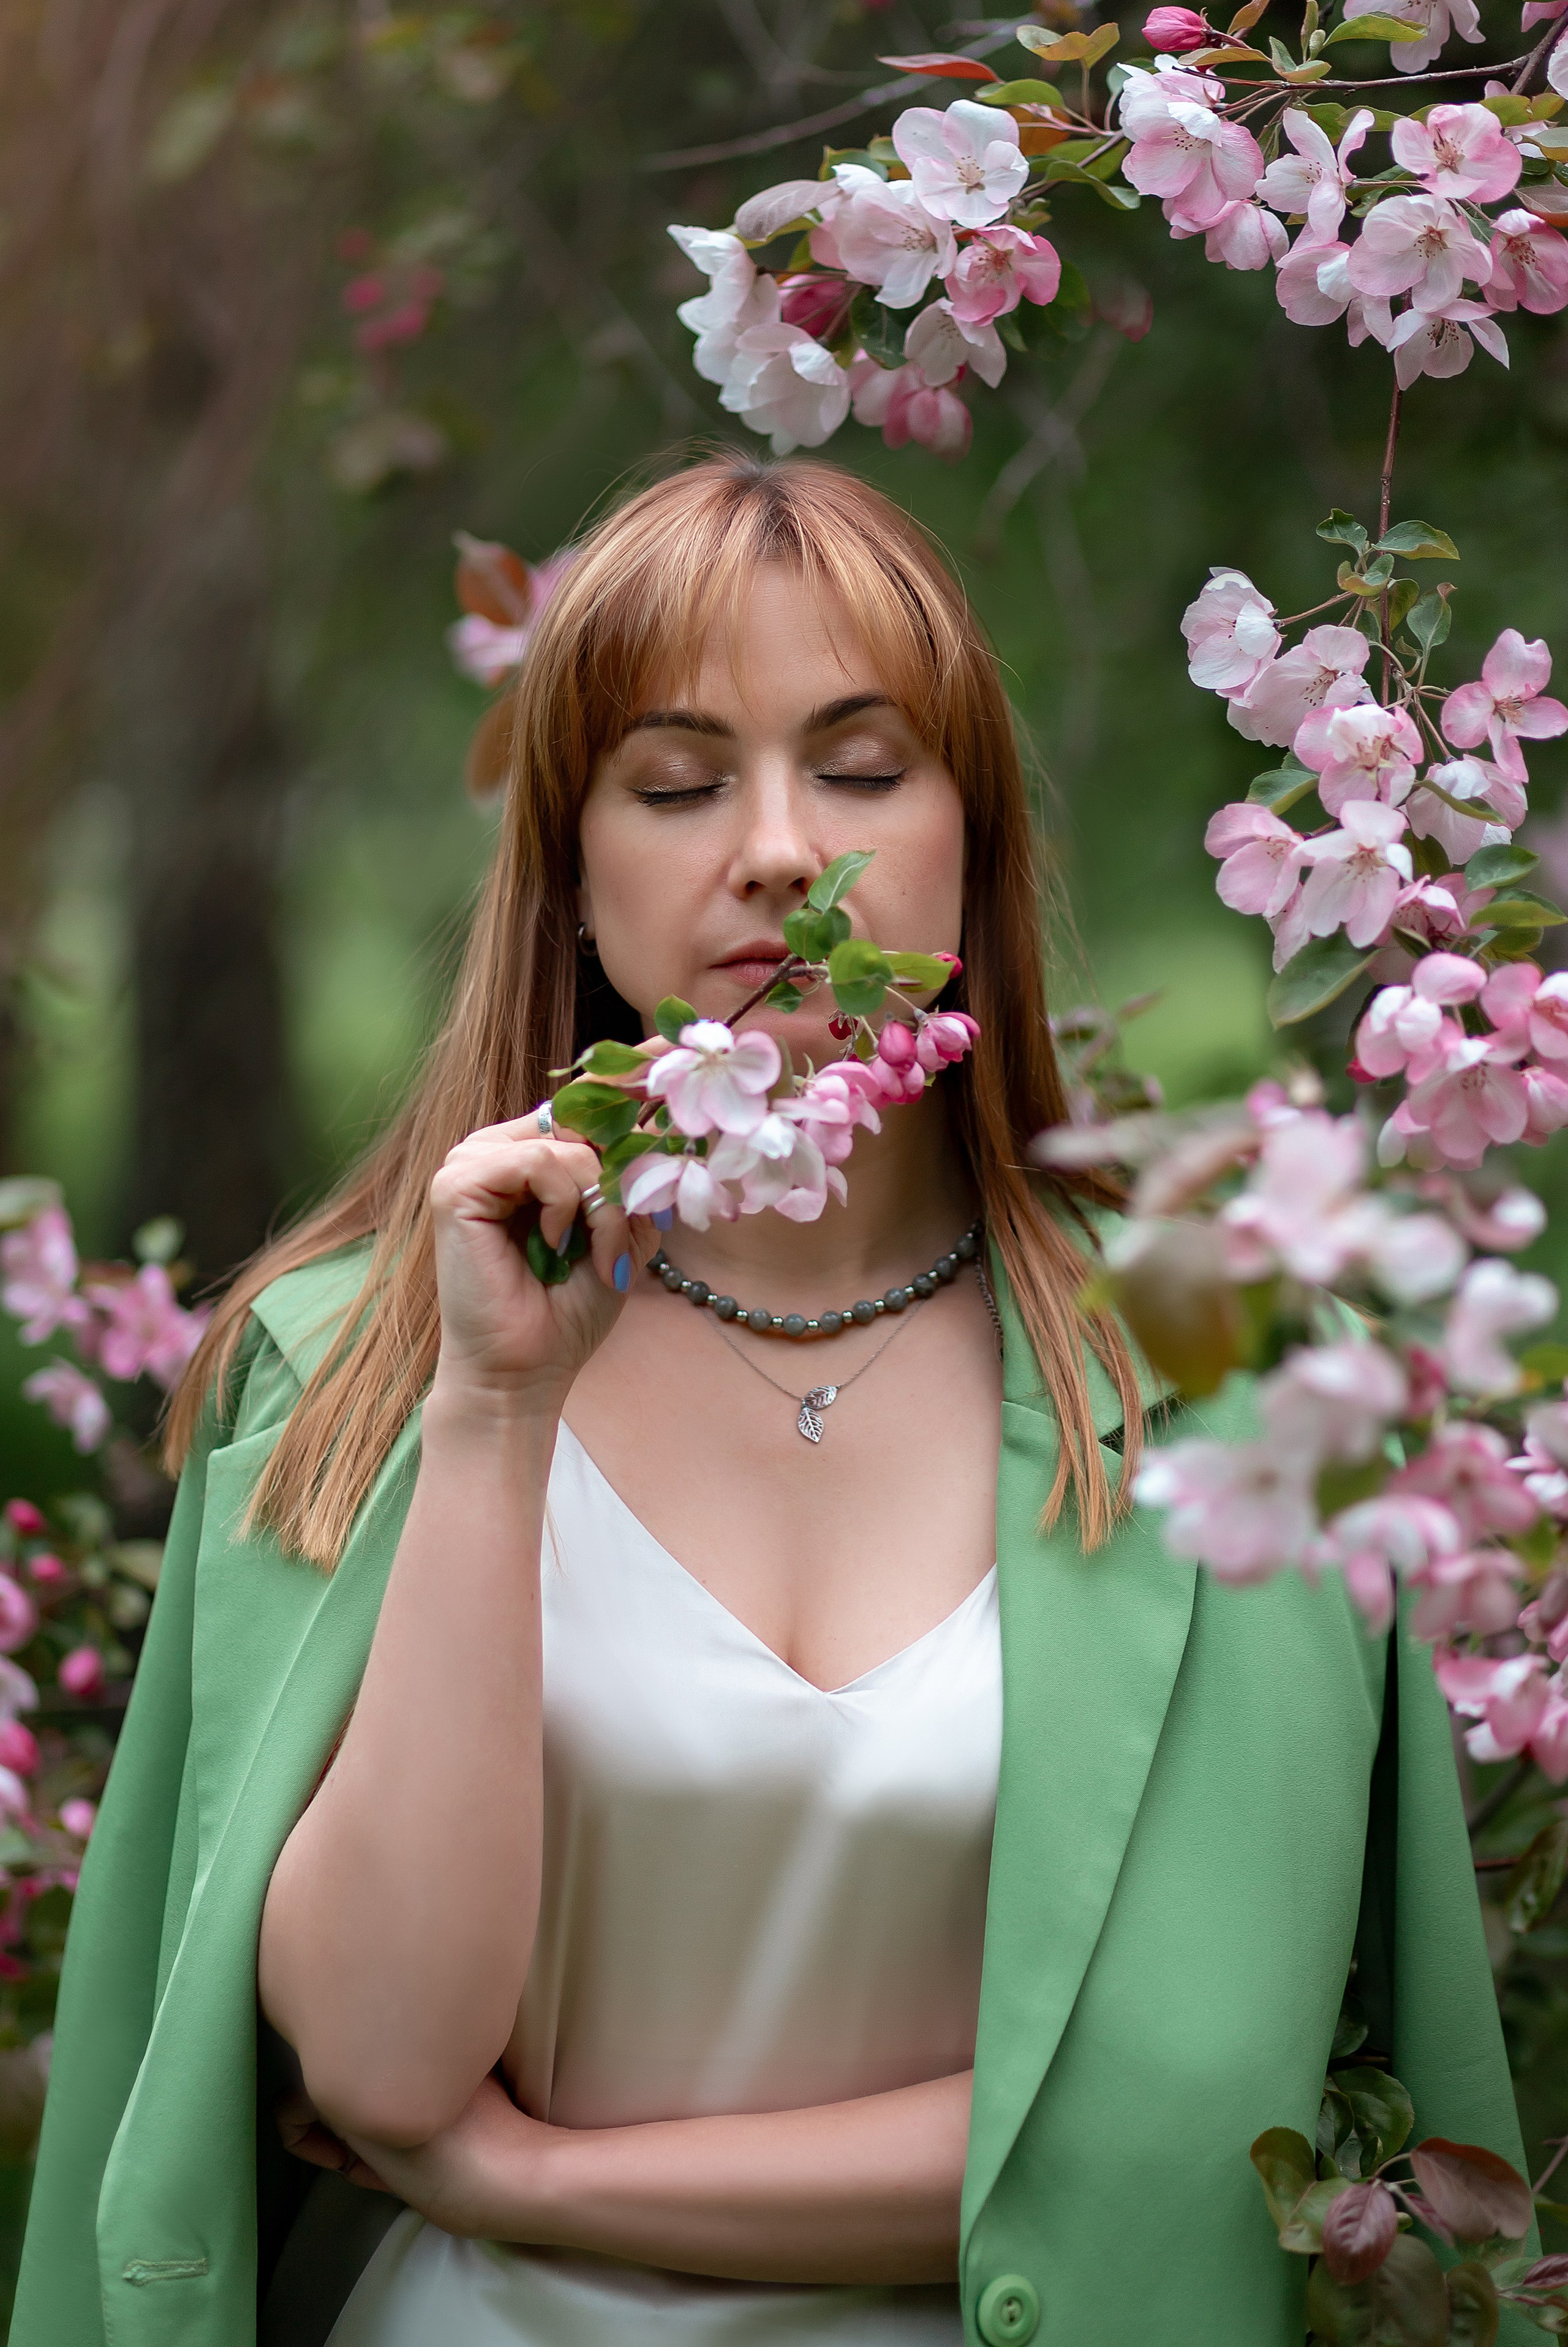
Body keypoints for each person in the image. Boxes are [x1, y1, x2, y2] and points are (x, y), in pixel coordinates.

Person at [11, 456, 1530, 2347]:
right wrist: (492, 1414)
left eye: (866, 765)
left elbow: (1185, 2101)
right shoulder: (357, 1369)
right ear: (570, 864)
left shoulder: (1226, 1393)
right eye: (675, 781)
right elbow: (384, 2067)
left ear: (971, 832)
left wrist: (536, 2179)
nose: (781, 848)